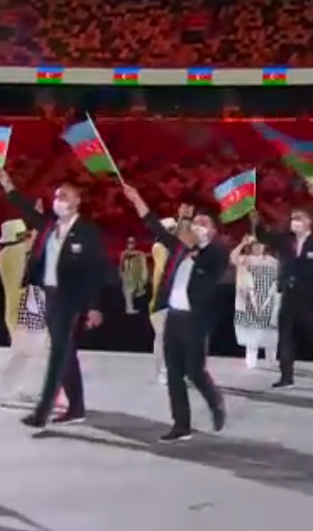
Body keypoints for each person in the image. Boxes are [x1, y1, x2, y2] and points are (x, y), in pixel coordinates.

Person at [0, 171, 112, 429]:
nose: (58, 200)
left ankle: (42, 412)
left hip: (71, 299)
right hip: (49, 296)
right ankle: (76, 407)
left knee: (59, 352)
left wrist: (94, 306)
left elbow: (97, 270)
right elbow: (28, 211)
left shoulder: (87, 231)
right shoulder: (50, 226)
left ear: (77, 201)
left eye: (65, 196)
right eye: (57, 196)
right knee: (66, 353)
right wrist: (9, 186)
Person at [122, 186, 227, 442]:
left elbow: (211, 269)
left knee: (194, 371)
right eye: (196, 222)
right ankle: (181, 424)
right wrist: (137, 199)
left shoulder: (216, 252)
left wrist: (194, 247)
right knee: (174, 372)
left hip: (195, 321)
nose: (197, 226)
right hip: (174, 316)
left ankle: (215, 401)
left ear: (213, 231)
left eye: (203, 223)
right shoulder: (179, 247)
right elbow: (155, 226)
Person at [252, 206, 313, 389]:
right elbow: (264, 237)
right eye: (293, 218)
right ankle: (286, 376)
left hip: (310, 297)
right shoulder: (285, 240)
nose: (295, 222)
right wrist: (257, 223)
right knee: (285, 336)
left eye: (299, 218)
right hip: (289, 294)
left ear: (309, 221)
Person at [0, 219, 54, 409]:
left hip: (22, 309)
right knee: (23, 353)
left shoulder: (6, 254)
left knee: (29, 353)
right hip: (24, 310)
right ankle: (4, 392)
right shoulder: (14, 253)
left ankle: (16, 388)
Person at [231, 236, 281, 370]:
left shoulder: (273, 261)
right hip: (250, 300)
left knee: (270, 330)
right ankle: (251, 361)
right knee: (251, 331)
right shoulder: (245, 260)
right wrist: (242, 243)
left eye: (260, 244)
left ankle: (271, 361)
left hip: (269, 300)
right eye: (255, 245)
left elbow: (280, 279)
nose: (258, 247)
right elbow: (232, 257)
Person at [149, 216, 183, 386]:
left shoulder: (180, 249)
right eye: (169, 230)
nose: (173, 233)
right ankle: (161, 372)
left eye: (174, 229)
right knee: (162, 337)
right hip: (161, 299)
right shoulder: (159, 247)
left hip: (178, 299)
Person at [120, 236, 149, 316]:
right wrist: (122, 274)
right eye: (129, 242)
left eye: (132, 242)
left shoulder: (140, 254)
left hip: (137, 278)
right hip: (128, 278)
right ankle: (129, 309)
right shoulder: (124, 254)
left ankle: (137, 309)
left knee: (139, 293)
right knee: (128, 294)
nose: (131, 244)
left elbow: (143, 265)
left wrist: (144, 276)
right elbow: (122, 264)